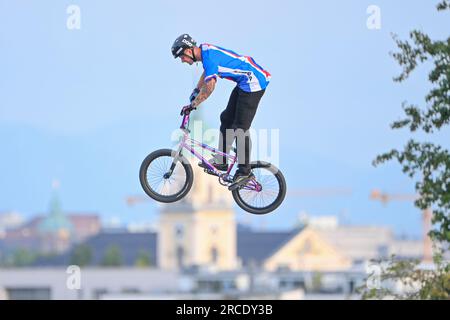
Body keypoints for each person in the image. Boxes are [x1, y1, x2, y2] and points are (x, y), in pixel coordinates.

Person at [171, 34, 271, 188]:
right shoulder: (205, 52)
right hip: (244, 82)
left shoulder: (208, 58)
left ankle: (244, 171)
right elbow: (206, 74)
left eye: (181, 57)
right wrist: (196, 90)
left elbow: (210, 86)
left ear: (188, 50)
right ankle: (222, 161)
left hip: (254, 83)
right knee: (226, 118)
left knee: (240, 128)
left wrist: (194, 104)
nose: (182, 61)